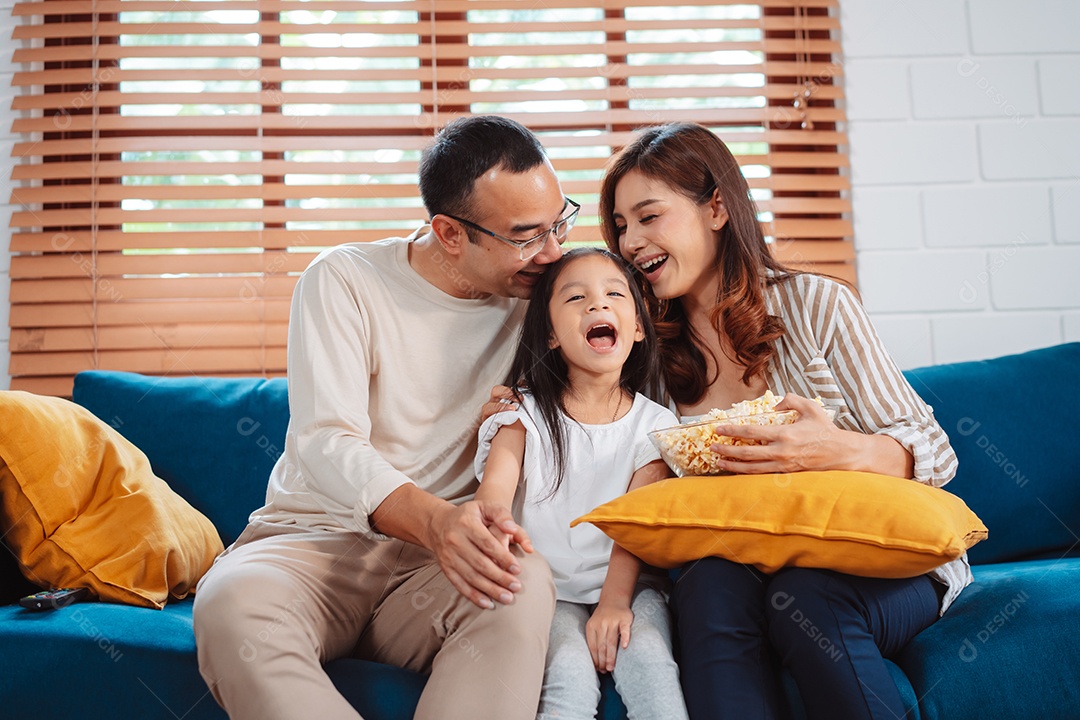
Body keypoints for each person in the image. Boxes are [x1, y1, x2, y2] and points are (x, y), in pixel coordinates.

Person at [193, 115, 579, 720]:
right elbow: (326, 441)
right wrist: (437, 523)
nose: (553, 252)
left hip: (437, 573)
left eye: (560, 222)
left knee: (522, 584)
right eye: (527, 236)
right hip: (314, 544)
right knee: (230, 605)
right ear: (450, 232)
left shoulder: (553, 297)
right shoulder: (344, 280)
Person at [598, 122, 971, 720]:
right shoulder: (642, 355)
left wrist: (835, 449)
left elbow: (934, 451)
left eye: (648, 216)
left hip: (872, 561)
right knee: (706, 587)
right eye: (620, 226)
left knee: (805, 597)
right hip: (735, 563)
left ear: (716, 207)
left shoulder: (817, 305)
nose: (631, 241)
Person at [474, 247, 690, 720]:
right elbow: (494, 497)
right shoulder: (521, 414)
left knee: (652, 667)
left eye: (614, 294)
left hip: (630, 587)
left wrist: (614, 604)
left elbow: (636, 524)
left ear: (636, 327)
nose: (597, 305)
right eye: (576, 298)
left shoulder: (657, 424)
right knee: (567, 679)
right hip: (544, 592)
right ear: (550, 334)